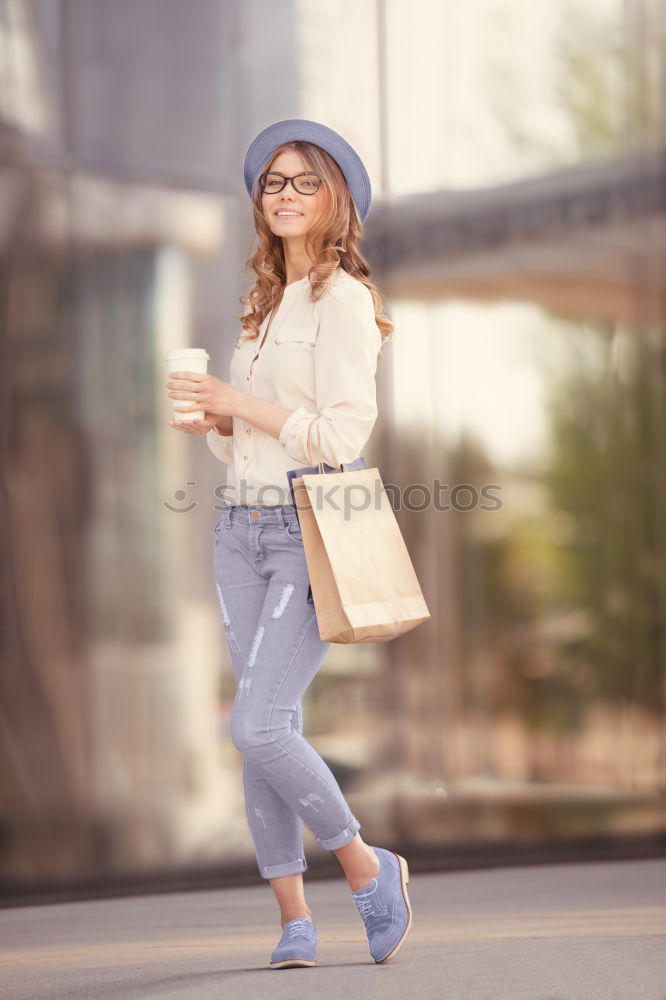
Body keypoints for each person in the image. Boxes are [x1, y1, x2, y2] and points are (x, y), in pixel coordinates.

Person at [165, 119, 412, 968]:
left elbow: (339, 436)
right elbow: (245, 444)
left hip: (310, 531)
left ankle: (367, 865)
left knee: (258, 725)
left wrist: (245, 404)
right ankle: (293, 921)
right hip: (239, 529)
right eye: (273, 182)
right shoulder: (263, 307)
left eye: (304, 181)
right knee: (267, 725)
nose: (285, 195)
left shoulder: (342, 300)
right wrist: (213, 421)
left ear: (336, 197)